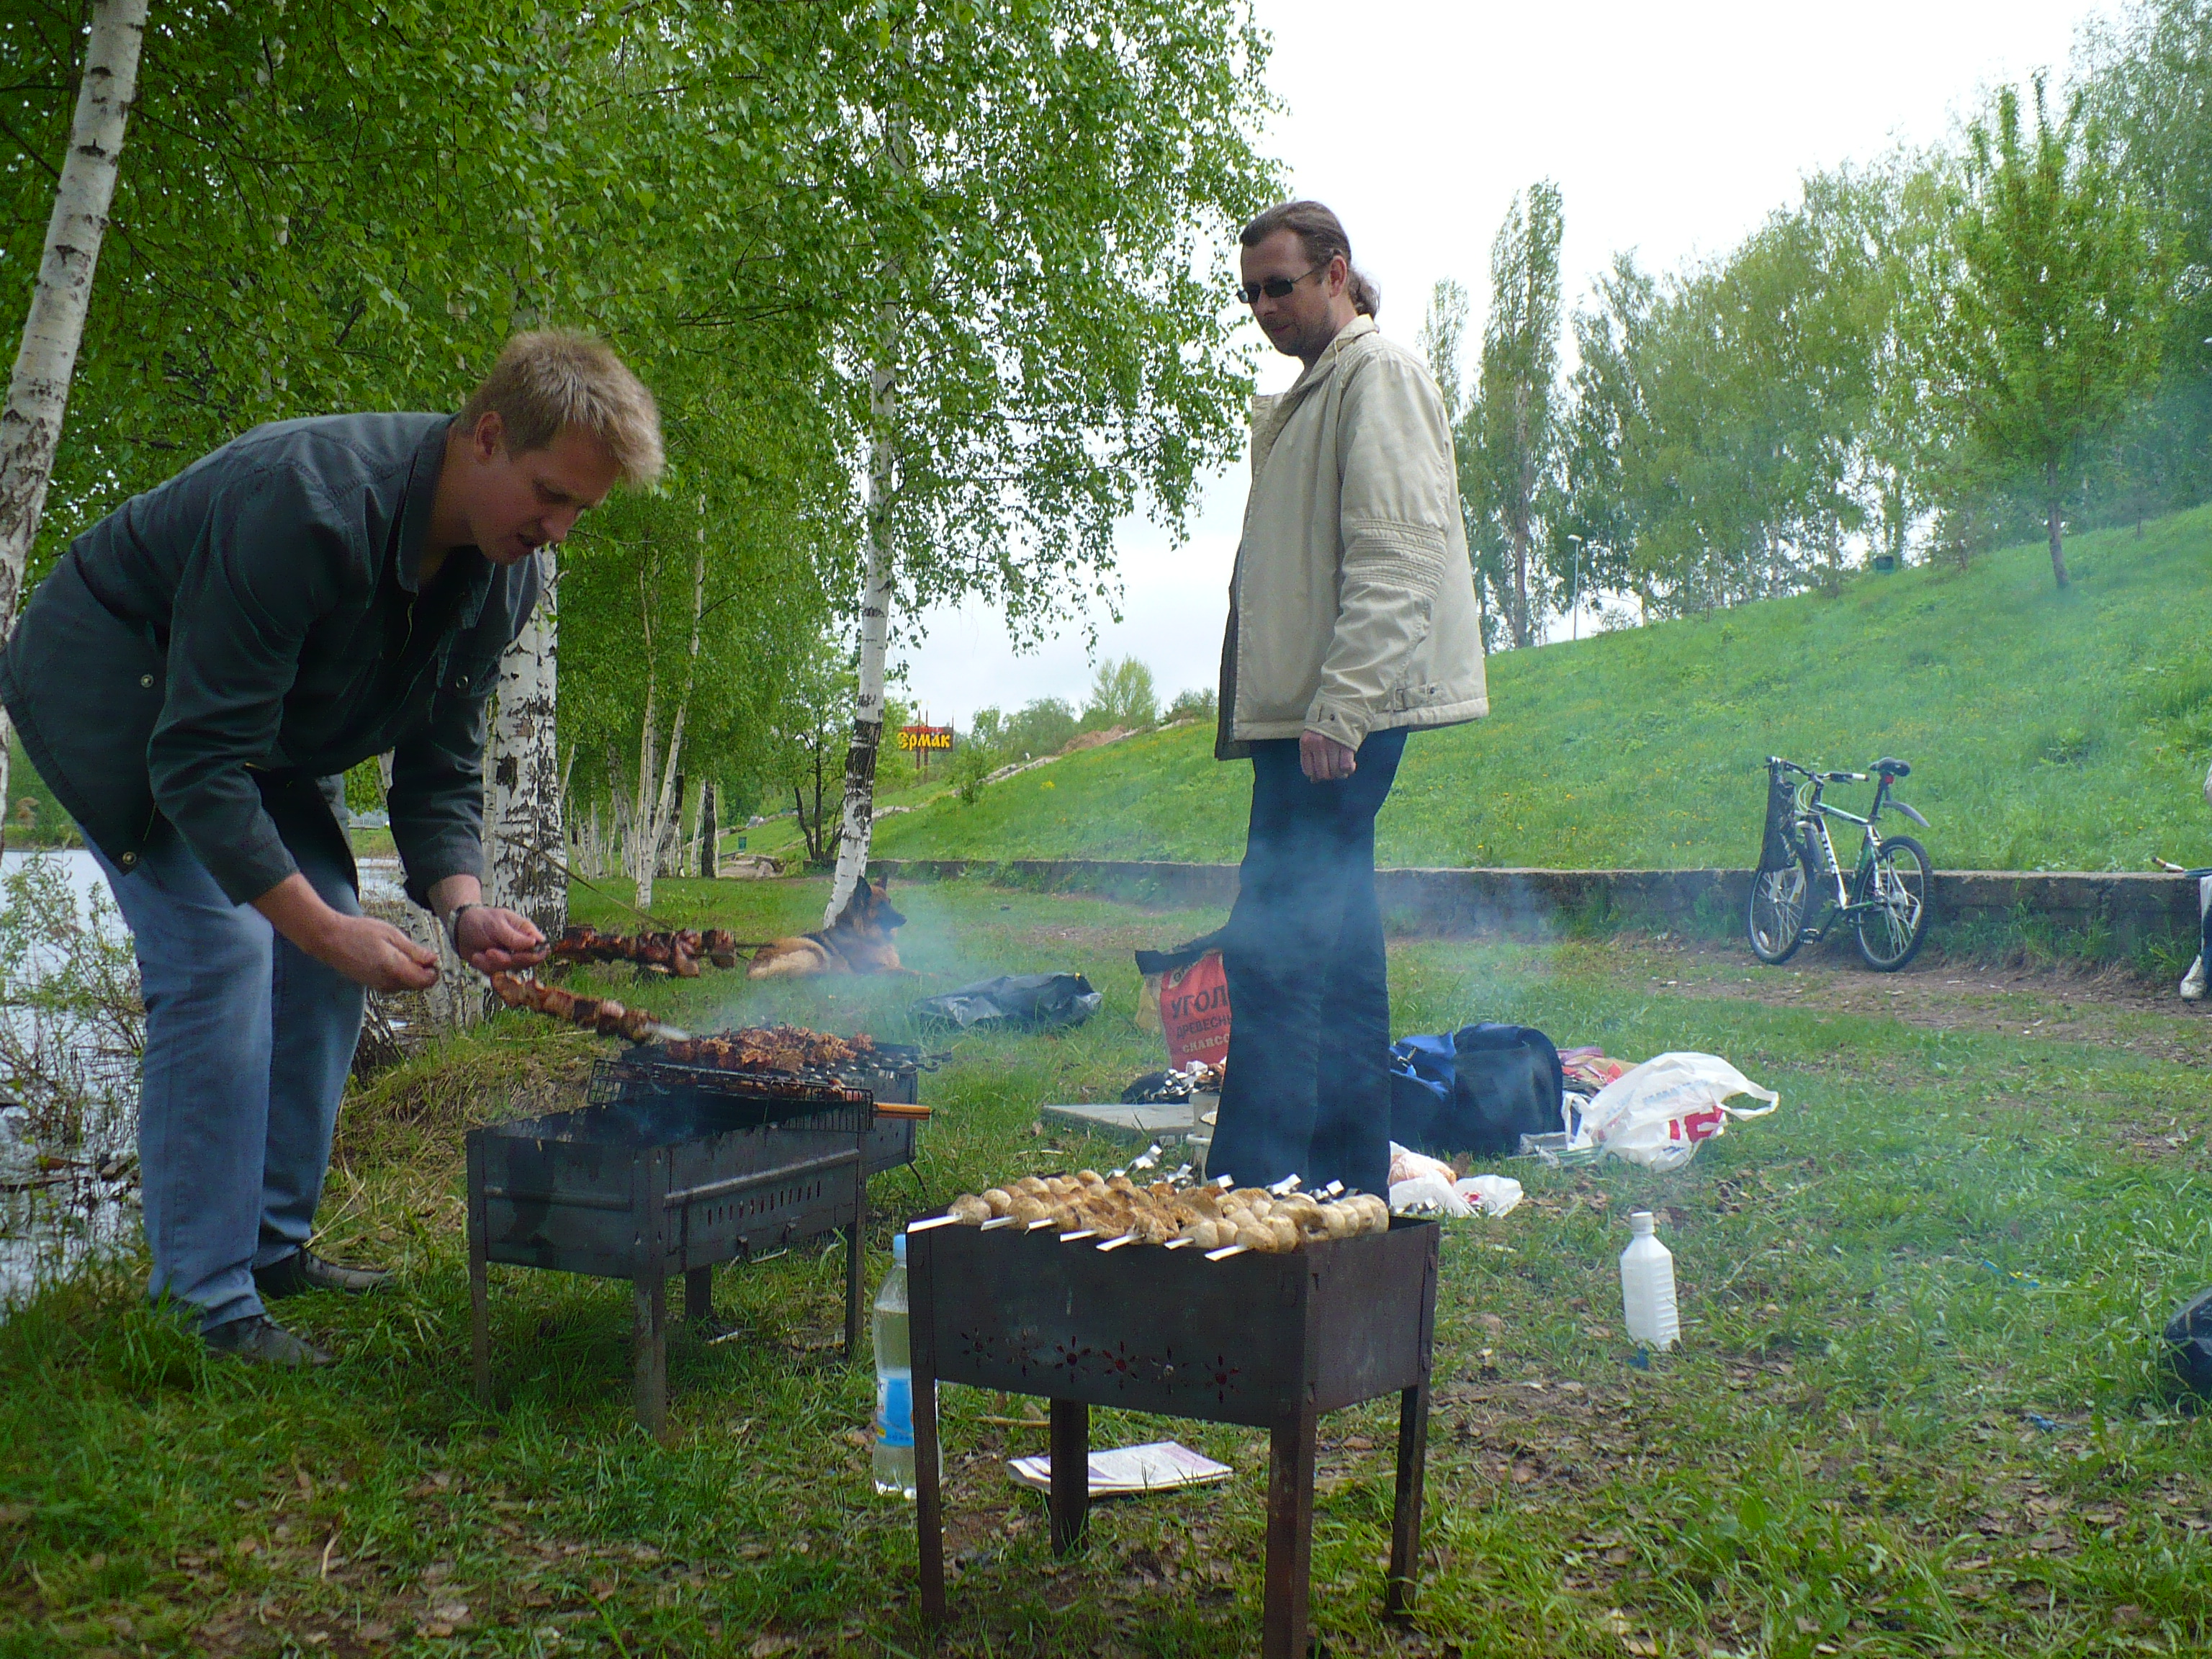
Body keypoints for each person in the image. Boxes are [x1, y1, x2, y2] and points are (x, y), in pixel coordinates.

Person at [0, 331, 662, 1363]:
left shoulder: (506, 577)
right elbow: (196, 762)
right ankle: (204, 1308)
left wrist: (462, 906)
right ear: (487, 436)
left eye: (580, 510)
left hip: (252, 734)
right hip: (126, 694)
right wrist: (319, 928)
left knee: (326, 954)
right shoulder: (304, 503)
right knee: (224, 953)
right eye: (550, 495)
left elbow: (441, 761)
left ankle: (270, 1250)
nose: (558, 530)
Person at [1205, 201, 1487, 1200]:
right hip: (1307, 721)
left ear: (1336, 274)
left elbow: (1399, 554)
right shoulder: (1318, 390)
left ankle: (1256, 1188)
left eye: (1280, 286)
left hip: (1336, 720)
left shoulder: (1379, 375)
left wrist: (1344, 707)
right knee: (1338, 957)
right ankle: (1343, 1190)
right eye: (1250, 293)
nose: (1264, 308)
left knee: (1274, 947)